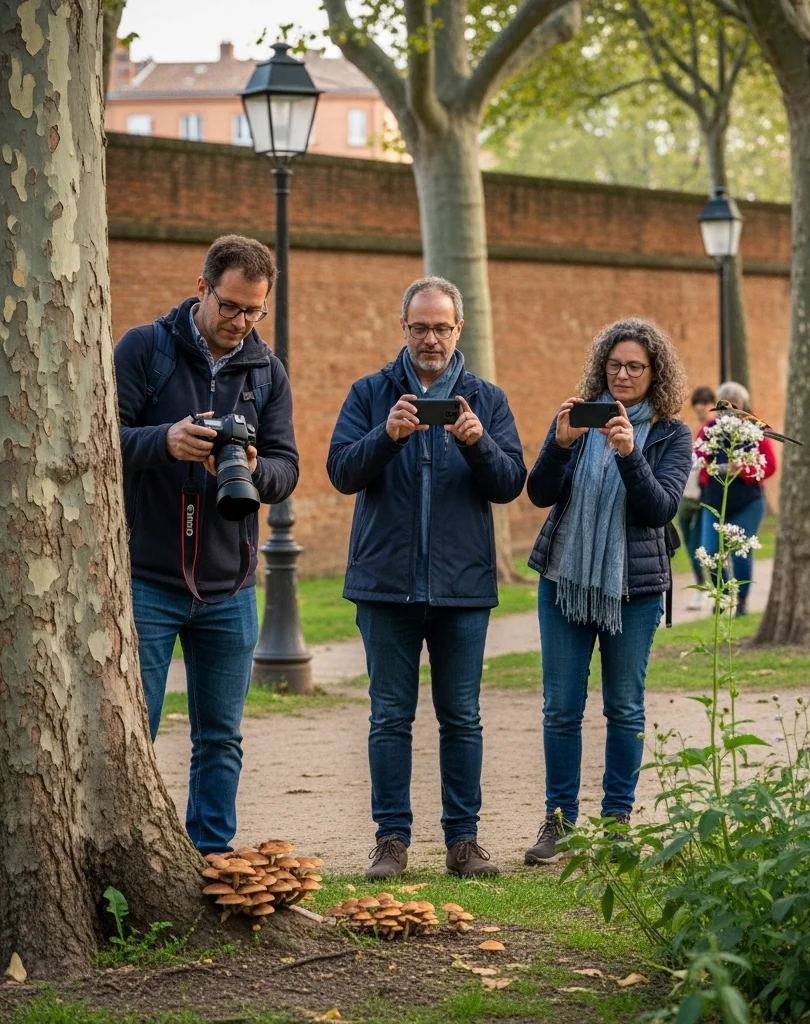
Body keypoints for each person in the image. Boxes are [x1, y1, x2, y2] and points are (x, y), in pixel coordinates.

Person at [327, 276, 527, 880]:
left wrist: (477, 443)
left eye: (442, 327)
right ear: (404, 328)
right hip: (385, 584)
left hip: (462, 588)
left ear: (458, 328)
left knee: (461, 716)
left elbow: (510, 483)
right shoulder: (370, 393)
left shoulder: (486, 398)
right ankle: (391, 841)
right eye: (420, 327)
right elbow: (341, 472)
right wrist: (386, 436)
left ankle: (463, 841)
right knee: (390, 716)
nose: (431, 339)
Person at [115, 234, 299, 854]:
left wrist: (254, 465)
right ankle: (135, 855)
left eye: (254, 311)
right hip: (147, 577)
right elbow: (99, 436)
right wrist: (164, 441)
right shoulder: (145, 349)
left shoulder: (266, 371)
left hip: (230, 585)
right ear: (203, 289)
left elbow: (288, 468)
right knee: (133, 731)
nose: (241, 322)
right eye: (230, 306)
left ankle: (211, 858)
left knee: (220, 737)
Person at [523, 318, 691, 865]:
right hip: (565, 581)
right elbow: (539, 493)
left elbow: (659, 509)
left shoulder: (670, 434)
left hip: (633, 589)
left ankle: (617, 822)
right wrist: (559, 444)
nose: (623, 375)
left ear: (654, 373)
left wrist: (629, 453)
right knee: (560, 709)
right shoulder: (578, 418)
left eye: (635, 367)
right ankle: (559, 823)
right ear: (602, 366)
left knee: (624, 707)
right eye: (615, 365)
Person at [696, 381, 776, 616]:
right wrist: (710, 469)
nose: (730, 408)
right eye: (726, 404)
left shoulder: (754, 428)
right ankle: (722, 596)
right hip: (714, 502)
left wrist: (742, 469)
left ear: (744, 406)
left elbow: (770, 465)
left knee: (741, 553)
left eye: (735, 404)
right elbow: (697, 457)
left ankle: (741, 601)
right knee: (710, 552)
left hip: (747, 503)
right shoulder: (710, 429)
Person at [678, 385, 716, 610]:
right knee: (690, 543)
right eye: (698, 403)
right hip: (686, 494)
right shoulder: (690, 429)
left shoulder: (715, 430)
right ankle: (701, 587)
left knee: (704, 545)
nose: (701, 408)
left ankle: (712, 588)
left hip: (706, 497)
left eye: (705, 403)